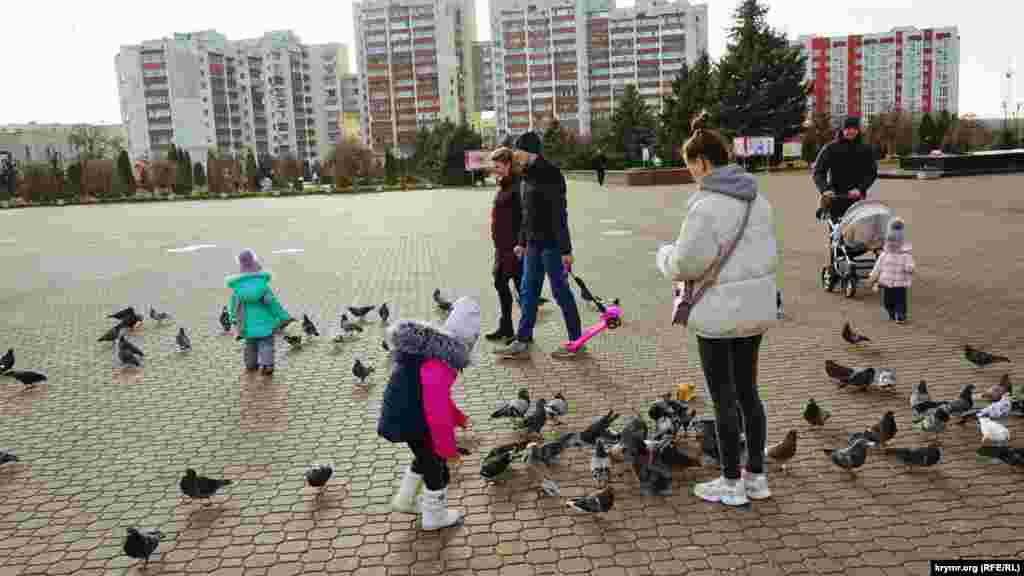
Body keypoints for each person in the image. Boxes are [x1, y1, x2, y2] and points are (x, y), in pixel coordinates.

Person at [655, 112, 778, 506]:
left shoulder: (706, 207)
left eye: (690, 165)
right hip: (755, 309)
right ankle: (755, 476)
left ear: (703, 162)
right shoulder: (760, 202)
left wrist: (664, 256)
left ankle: (730, 482)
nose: (690, 173)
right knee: (748, 393)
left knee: (722, 397)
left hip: (719, 313)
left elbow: (685, 264)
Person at [378, 297, 480, 530]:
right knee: (436, 465)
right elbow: (436, 409)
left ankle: (405, 500)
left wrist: (457, 416)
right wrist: (447, 447)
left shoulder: (431, 352)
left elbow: (436, 397)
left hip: (405, 412)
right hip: (412, 417)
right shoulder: (442, 364)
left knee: (424, 457)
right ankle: (435, 516)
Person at [493, 131, 584, 359]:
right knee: (528, 292)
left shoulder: (551, 174)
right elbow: (526, 213)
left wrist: (566, 250)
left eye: (518, 151)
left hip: (552, 245)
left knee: (560, 292)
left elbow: (559, 214)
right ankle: (522, 342)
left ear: (530, 151)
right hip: (533, 245)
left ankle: (577, 341)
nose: (515, 155)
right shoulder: (526, 174)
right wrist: (522, 242)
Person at [226, 249, 293, 376]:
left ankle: (250, 365)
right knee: (266, 344)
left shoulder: (238, 289)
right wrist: (283, 316)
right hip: (265, 323)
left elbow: (234, 306)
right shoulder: (262, 286)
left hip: (247, 324)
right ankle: (267, 365)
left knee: (250, 345)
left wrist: (233, 318)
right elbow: (273, 304)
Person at [485, 147, 524, 343]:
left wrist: (521, 243)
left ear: (508, 165)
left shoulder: (518, 186)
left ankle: (524, 333)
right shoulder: (505, 184)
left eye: (498, 166)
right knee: (500, 283)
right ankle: (506, 327)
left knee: (521, 289)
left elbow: (526, 218)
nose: (495, 170)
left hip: (515, 248)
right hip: (502, 247)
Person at [813, 116, 878, 222]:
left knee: (856, 230)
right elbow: (818, 172)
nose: (851, 131)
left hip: (857, 198)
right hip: (835, 197)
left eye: (854, 128)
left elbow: (872, 173)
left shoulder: (866, 149)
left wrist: (860, 189)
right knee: (836, 230)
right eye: (847, 128)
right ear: (842, 130)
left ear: (858, 130)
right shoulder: (830, 148)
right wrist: (825, 189)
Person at [868, 217, 914, 324]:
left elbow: (910, 265)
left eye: (896, 242)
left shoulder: (905, 255)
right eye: (890, 241)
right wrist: (873, 276)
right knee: (887, 301)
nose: (893, 244)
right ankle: (891, 312)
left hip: (900, 283)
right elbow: (878, 266)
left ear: (901, 242)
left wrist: (910, 268)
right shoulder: (884, 254)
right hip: (886, 282)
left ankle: (901, 315)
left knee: (900, 301)